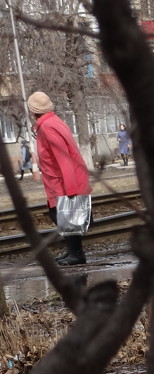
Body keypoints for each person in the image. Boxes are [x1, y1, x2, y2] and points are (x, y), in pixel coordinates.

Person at [28, 91, 91, 265]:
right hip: (60, 181)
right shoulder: (52, 122)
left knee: (63, 215)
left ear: (32, 111)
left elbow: (63, 158)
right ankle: (73, 251)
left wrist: (70, 190)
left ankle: (76, 254)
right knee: (61, 215)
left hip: (64, 182)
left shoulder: (48, 127)